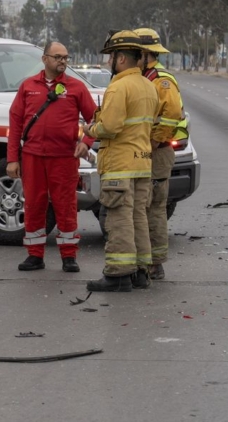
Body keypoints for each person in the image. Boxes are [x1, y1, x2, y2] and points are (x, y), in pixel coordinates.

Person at [7, 41, 98, 273]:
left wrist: (85, 143)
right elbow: (15, 123)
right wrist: (12, 159)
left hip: (64, 158)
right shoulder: (28, 86)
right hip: (32, 157)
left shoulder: (76, 88)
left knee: (65, 205)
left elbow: (95, 120)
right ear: (45, 59)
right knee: (34, 205)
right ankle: (35, 255)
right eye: (57, 57)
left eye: (66, 57)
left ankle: (69, 256)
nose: (63, 61)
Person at [81, 31, 159, 292]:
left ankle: (118, 274)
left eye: (111, 57)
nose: (108, 62)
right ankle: (140, 271)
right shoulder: (148, 85)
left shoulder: (119, 86)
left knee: (118, 218)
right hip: (142, 162)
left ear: (122, 59)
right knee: (138, 217)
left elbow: (111, 126)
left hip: (120, 163)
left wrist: (90, 129)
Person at [135, 27, 187, 280]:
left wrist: (153, 142)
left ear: (145, 53)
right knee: (142, 207)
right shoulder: (144, 76)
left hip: (157, 153)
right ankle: (145, 260)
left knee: (153, 207)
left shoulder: (161, 80)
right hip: (143, 152)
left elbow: (172, 116)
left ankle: (155, 263)